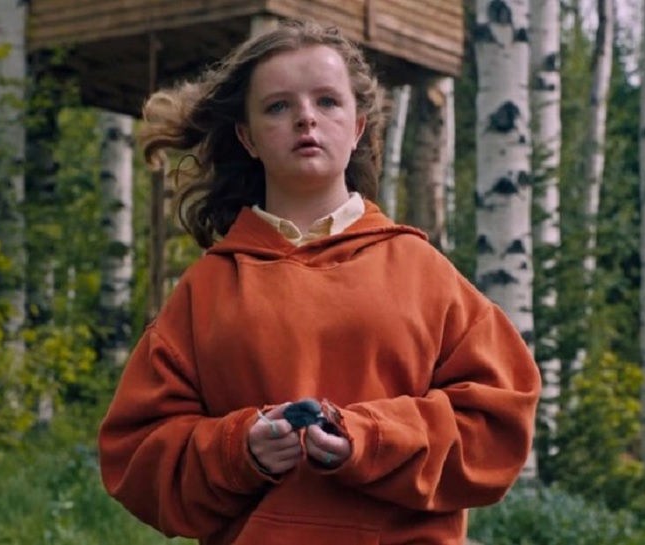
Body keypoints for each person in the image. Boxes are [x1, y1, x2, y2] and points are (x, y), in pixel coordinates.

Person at [98, 19, 541, 545]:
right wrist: (238, 450)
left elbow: (498, 423)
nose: (306, 117)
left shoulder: (422, 272)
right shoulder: (206, 290)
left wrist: (373, 439)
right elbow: (135, 454)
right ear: (247, 137)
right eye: (277, 106)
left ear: (357, 128)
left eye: (327, 101)